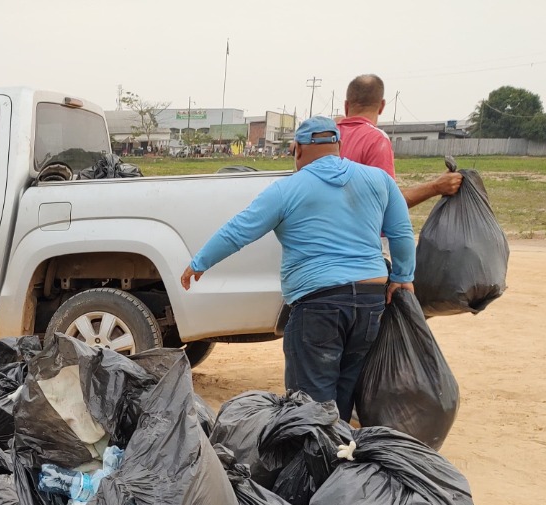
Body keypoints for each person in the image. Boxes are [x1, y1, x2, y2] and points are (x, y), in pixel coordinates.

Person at [180, 117, 414, 421]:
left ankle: (315, 462)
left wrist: (199, 263)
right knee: (345, 390)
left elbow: (239, 230)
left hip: (319, 304)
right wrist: (403, 278)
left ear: (298, 149)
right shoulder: (379, 180)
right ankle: (337, 456)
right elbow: (401, 233)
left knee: (310, 402)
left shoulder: (286, 189)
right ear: (338, 146)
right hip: (371, 301)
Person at [338, 74, 462, 207]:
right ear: (382, 106)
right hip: (361, 227)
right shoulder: (376, 140)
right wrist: (436, 187)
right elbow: (388, 203)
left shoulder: (325, 137)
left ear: (346, 105)